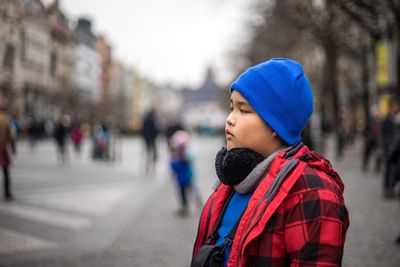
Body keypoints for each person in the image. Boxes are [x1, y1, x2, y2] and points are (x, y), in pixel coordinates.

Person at [191, 58, 349, 267]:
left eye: (243, 110)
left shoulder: (313, 193)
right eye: (231, 107)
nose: (229, 119)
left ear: (276, 124)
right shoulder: (231, 180)